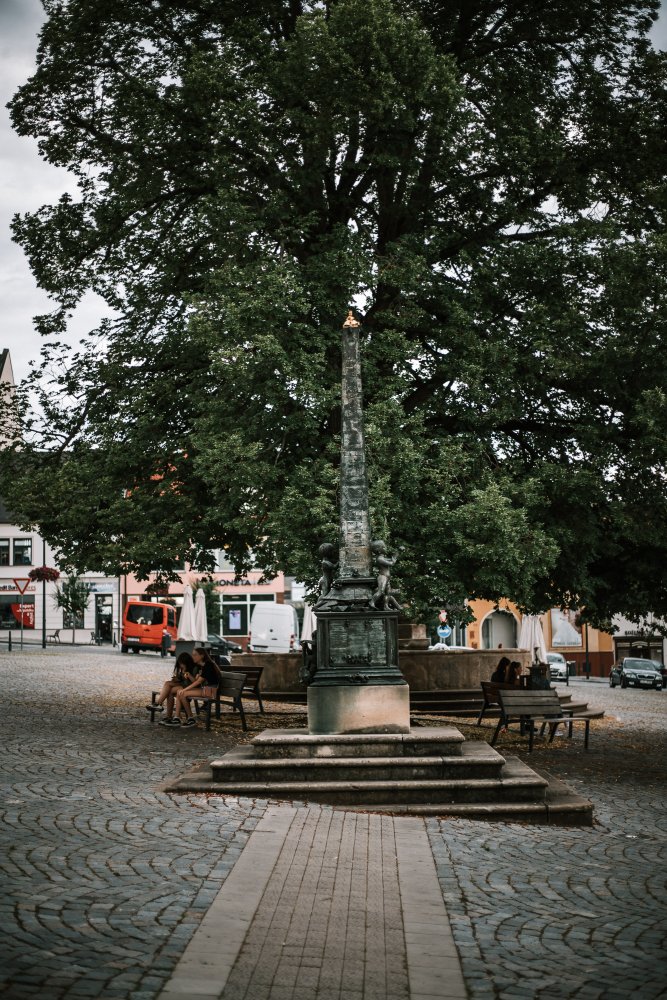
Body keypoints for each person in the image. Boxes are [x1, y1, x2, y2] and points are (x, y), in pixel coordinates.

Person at [174, 647, 222, 728]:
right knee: (179, 691)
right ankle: (177, 717)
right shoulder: (202, 665)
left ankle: (190, 718)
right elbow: (197, 680)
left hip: (211, 691)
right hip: (206, 689)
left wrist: (185, 689)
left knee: (182, 693)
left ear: (202, 656)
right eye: (193, 655)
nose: (193, 657)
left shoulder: (208, 665)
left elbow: (198, 682)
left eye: (195, 655)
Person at [149, 651, 196, 726]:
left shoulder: (193, 668)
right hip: (182, 686)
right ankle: (168, 715)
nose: (180, 665)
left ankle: (160, 704)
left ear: (186, 662)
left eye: (182, 663)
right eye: (180, 663)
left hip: (189, 688)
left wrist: (188, 675)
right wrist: (177, 679)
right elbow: (182, 680)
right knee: (168, 687)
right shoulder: (182, 668)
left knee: (169, 687)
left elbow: (195, 683)